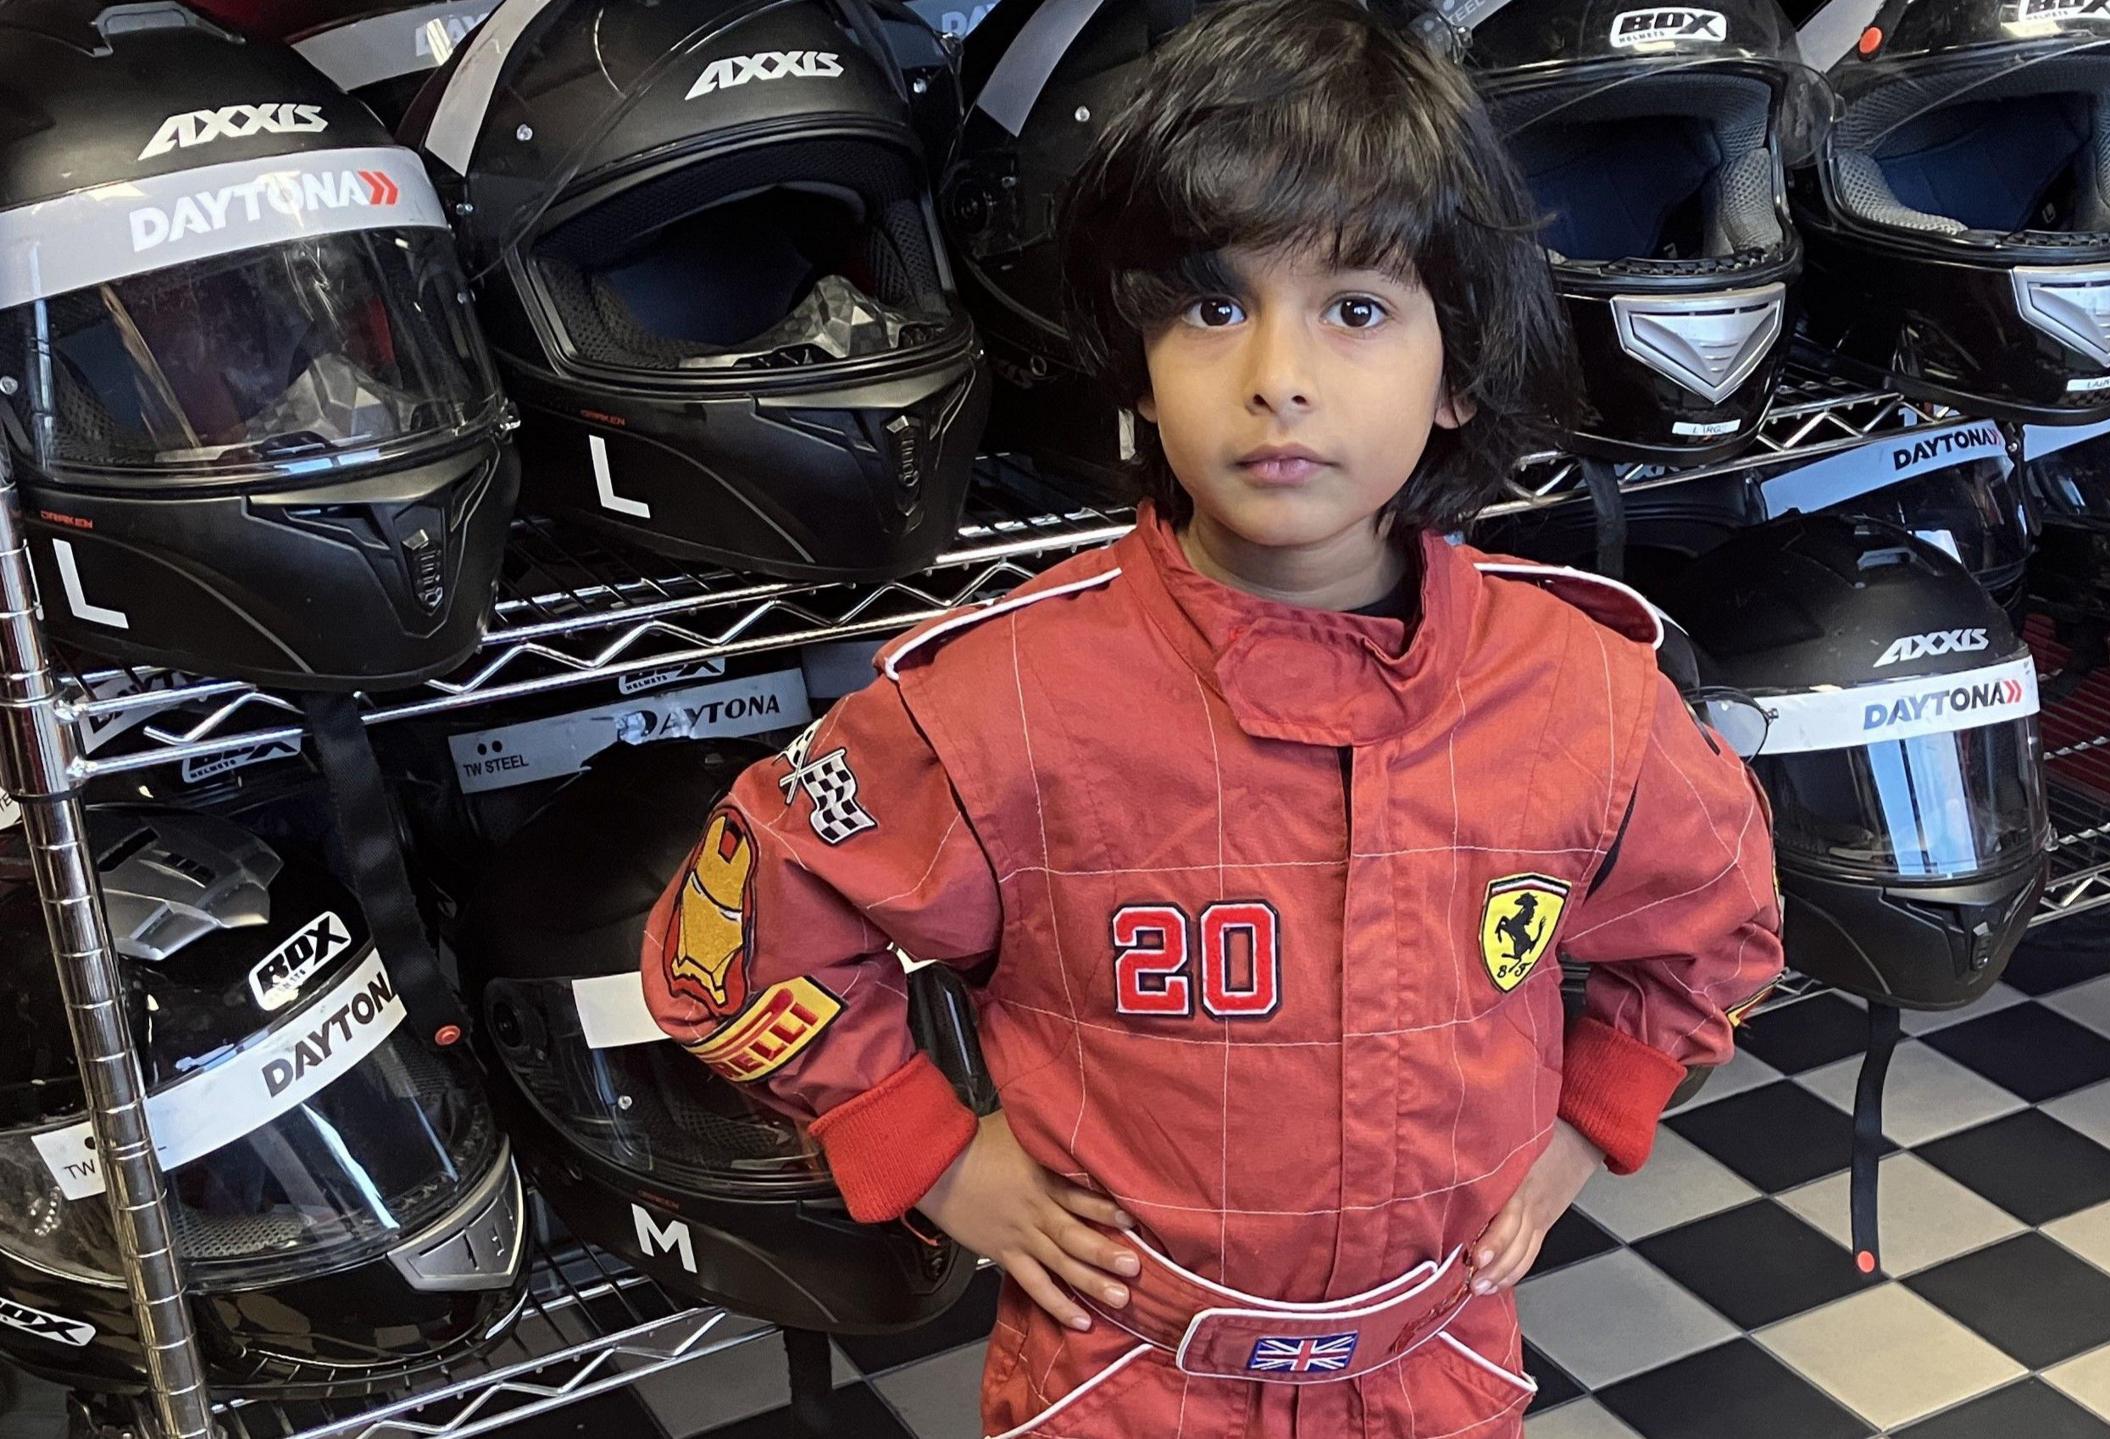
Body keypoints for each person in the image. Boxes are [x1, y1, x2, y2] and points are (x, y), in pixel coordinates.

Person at [642, 2, 1783, 1434]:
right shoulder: (998, 705)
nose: (1279, 378)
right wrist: (930, 1152)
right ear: (1138, 361)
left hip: (1441, 1371)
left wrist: (1585, 1117)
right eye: (1213, 306)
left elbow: (1713, 924)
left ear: (1460, 368)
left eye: (1357, 310)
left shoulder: (1584, 694)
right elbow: (726, 938)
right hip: (1121, 1382)